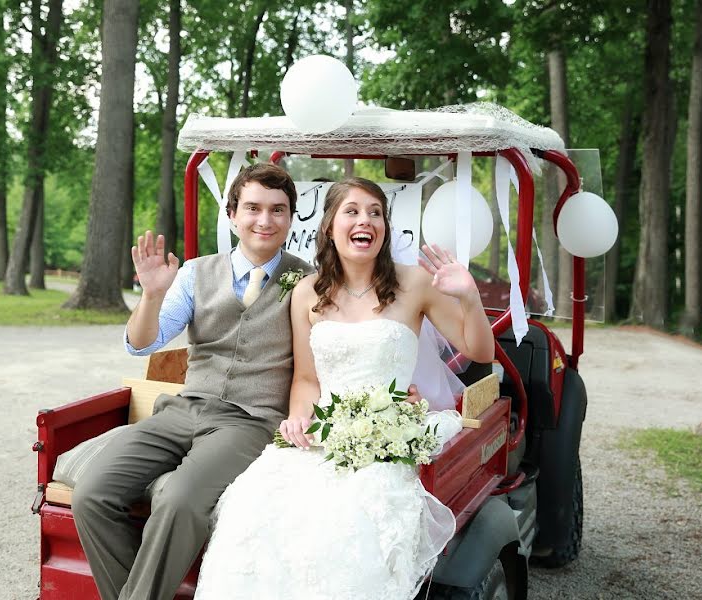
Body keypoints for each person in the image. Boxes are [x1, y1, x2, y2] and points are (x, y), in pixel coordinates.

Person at [194, 177, 495, 600]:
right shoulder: (306, 293)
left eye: (375, 213)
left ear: (385, 229)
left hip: (391, 432)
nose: (365, 220)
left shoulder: (415, 284)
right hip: (327, 431)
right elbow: (306, 380)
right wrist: (300, 418)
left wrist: (469, 298)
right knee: (253, 506)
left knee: (351, 520)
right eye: (352, 211)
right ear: (330, 227)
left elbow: (480, 350)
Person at [70, 163, 315, 600]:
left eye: (278, 210)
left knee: (179, 501)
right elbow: (144, 343)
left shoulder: (308, 279)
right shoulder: (196, 272)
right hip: (182, 410)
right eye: (253, 208)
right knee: (91, 493)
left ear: (290, 218)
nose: (265, 220)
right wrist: (150, 296)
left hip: (250, 421)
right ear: (233, 214)